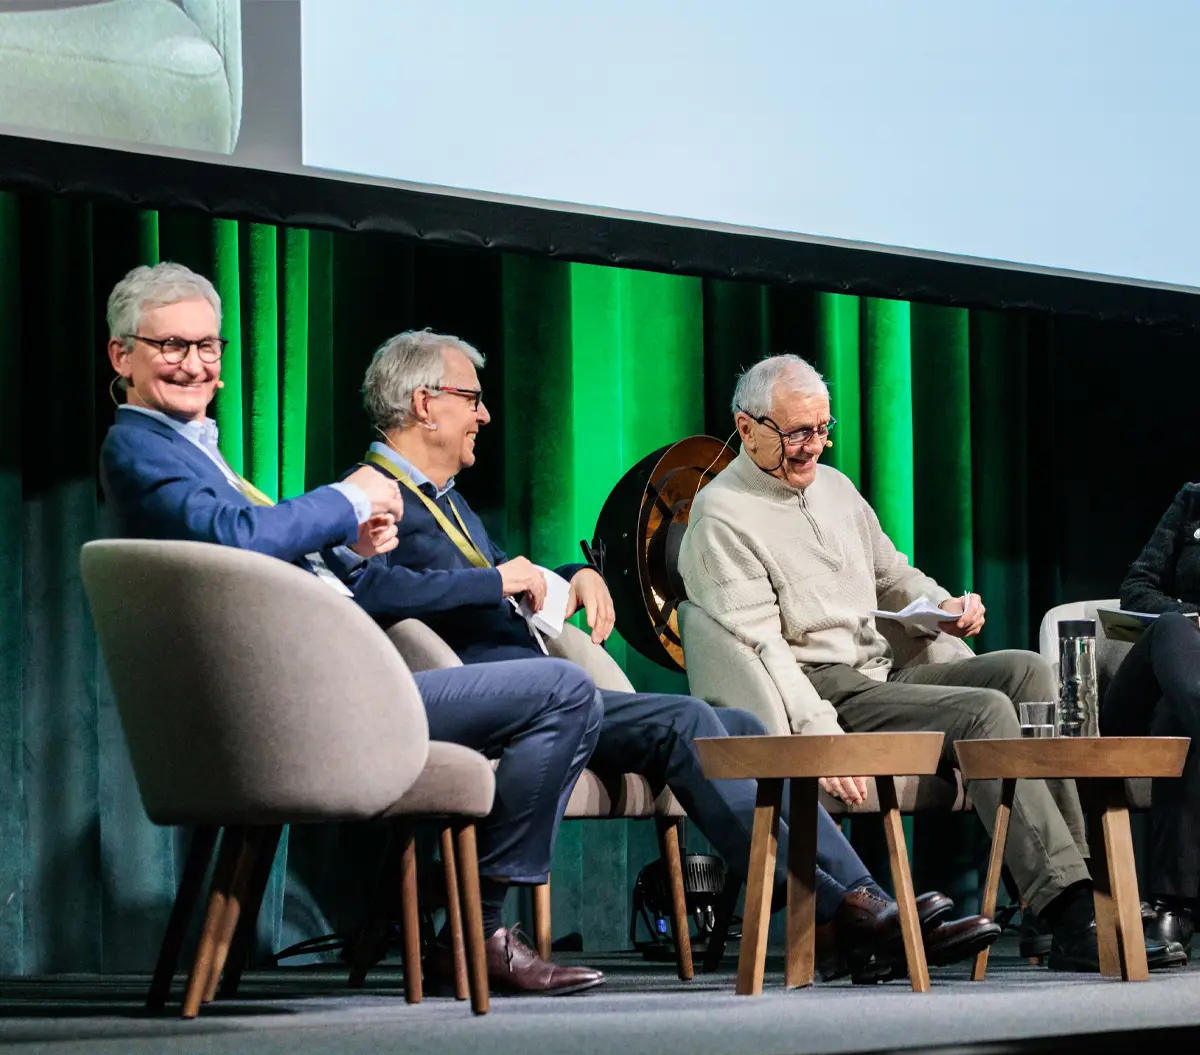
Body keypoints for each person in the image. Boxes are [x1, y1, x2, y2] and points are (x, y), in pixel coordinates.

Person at [343, 328, 1000, 983]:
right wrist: (497, 580)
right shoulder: (368, 492)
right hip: (491, 699)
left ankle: (864, 905)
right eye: (472, 398)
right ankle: (838, 908)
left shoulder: (444, 500)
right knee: (687, 722)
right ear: (426, 403)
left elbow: (506, 577)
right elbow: (365, 590)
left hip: (546, 696)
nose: (484, 414)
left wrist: (577, 572)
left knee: (744, 733)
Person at [98, 262, 607, 997]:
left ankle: (454, 910)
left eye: (209, 347)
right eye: (173, 346)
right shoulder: (141, 447)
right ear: (124, 356)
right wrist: (348, 497)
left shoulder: (188, 448)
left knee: (572, 695)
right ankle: (477, 926)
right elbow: (232, 535)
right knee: (562, 690)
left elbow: (256, 545)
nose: (195, 364)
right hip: (301, 709)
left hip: (336, 685)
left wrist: (344, 549)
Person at [677, 352, 1185, 973]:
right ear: (748, 426)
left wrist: (944, 603)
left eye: (823, 429)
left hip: (880, 672)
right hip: (823, 690)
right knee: (984, 711)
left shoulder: (834, 487)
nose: (814, 447)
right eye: (798, 433)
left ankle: (1064, 907)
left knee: (1026, 672)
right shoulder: (722, 514)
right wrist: (817, 732)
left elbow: (892, 575)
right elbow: (760, 646)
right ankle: (1071, 909)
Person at [1102, 482, 1200, 958]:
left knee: (1177, 719)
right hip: (1148, 681)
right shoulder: (1193, 499)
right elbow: (1137, 588)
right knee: (1174, 628)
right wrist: (1192, 616)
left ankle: (1173, 908)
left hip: (1175, 709)